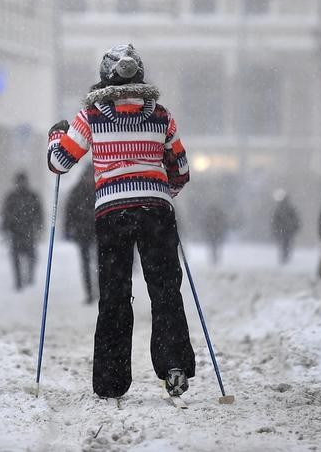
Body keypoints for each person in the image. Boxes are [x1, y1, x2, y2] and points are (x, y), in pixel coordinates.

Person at [47, 44, 194, 400]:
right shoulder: (161, 116)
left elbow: (60, 163)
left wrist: (55, 135)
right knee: (165, 289)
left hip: (112, 214)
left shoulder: (92, 117)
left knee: (114, 294)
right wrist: (161, 191)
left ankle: (111, 380)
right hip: (156, 210)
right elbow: (182, 170)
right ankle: (174, 364)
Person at [1, 171, 42, 291]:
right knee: (16, 257)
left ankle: (29, 277)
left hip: (28, 230)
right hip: (16, 231)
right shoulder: (12, 197)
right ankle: (19, 281)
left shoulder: (32, 196)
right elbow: (5, 214)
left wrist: (38, 226)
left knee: (31, 256)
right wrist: (6, 228)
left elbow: (39, 213)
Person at [62, 167, 97, 303]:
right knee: (86, 264)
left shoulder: (93, 189)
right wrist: (68, 229)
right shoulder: (78, 191)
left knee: (100, 263)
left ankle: (99, 291)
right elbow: (69, 212)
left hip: (97, 231)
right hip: (84, 232)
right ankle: (89, 293)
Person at [270, 188, 300, 266]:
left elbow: (274, 220)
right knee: (287, 245)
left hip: (283, 230)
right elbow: (296, 219)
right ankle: (285, 259)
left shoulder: (279, 208)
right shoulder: (290, 207)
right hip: (288, 230)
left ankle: (284, 259)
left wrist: (275, 229)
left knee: (284, 245)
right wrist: (295, 227)